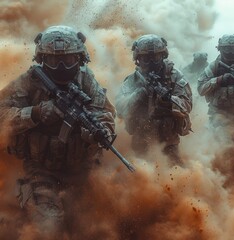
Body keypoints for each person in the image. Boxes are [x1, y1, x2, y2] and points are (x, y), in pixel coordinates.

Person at [0, 25, 116, 237]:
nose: (61, 66)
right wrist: (35, 113)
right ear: (42, 59)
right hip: (41, 170)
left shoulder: (86, 79)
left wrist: (99, 131)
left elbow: (104, 112)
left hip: (83, 169)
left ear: (80, 59)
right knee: (49, 225)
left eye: (69, 60)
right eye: (53, 61)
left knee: (99, 224)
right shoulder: (30, 82)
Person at [115, 34, 192, 166]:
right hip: (141, 139)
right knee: (139, 178)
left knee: (177, 175)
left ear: (163, 56)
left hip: (168, 140)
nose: (151, 63)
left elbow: (187, 104)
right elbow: (120, 109)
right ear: (138, 59)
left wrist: (169, 101)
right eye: (146, 58)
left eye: (156, 57)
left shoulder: (175, 76)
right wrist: (139, 94)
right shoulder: (133, 80)